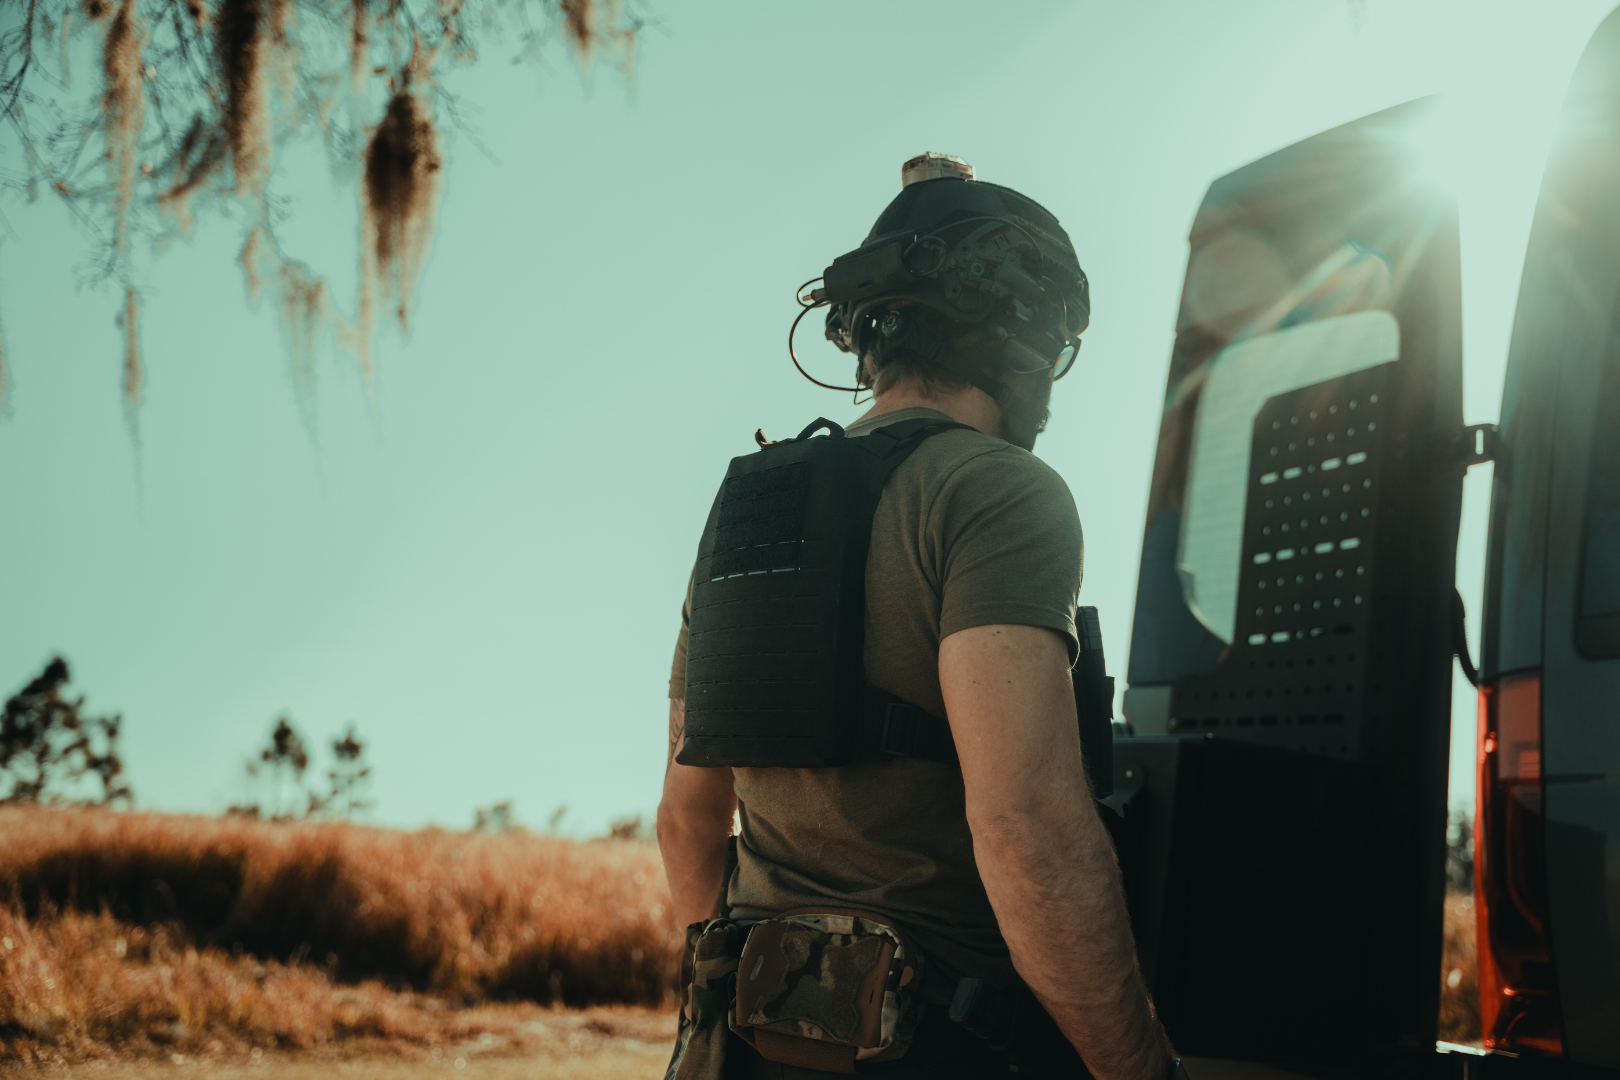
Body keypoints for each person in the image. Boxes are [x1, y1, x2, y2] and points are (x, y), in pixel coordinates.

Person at [658, 154, 1178, 1080]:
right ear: (1019, 336)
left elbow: (688, 824)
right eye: (1054, 349)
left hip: (734, 1046)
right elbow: (1027, 830)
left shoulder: (747, 508)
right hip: (934, 1046)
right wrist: (1142, 1067)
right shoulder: (1000, 492)